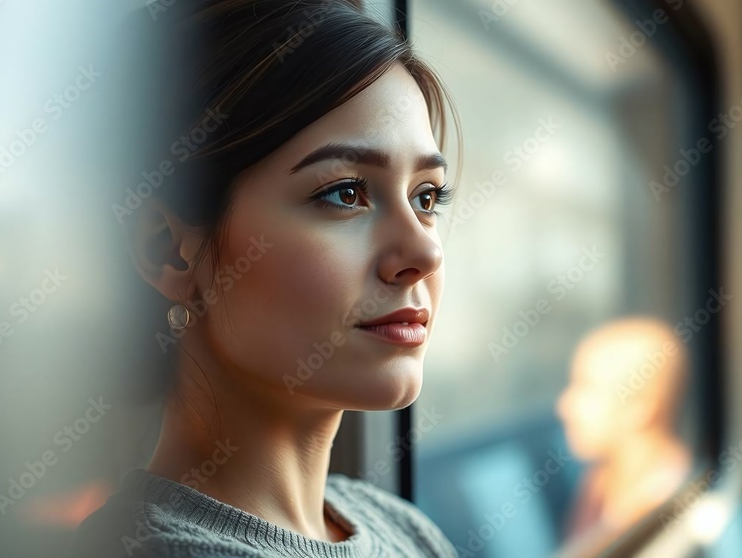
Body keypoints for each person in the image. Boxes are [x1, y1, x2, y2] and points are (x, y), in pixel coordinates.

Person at [68, 1, 461, 556]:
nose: (424, 250)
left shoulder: (400, 527)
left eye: (426, 197)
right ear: (171, 253)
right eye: (344, 193)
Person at [554, 318, 692, 556]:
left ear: (640, 408)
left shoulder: (667, 508)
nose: (564, 406)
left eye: (587, 387)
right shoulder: (600, 481)